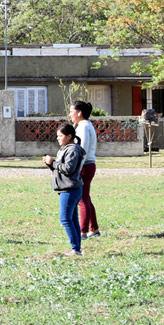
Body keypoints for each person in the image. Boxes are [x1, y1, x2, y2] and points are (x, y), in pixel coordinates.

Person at [43, 123, 86, 256]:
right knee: (72, 220)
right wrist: (50, 165)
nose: (58, 138)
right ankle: (77, 248)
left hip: (70, 190)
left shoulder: (72, 150)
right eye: (57, 136)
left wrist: (53, 163)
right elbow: (60, 169)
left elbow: (68, 169)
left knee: (65, 219)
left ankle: (75, 249)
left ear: (69, 136)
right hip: (67, 189)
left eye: (60, 136)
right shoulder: (65, 149)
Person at [70, 100, 100, 240]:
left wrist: (77, 168)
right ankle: (94, 229)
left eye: (72, 111)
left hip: (85, 166)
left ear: (79, 112)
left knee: (82, 199)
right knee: (86, 197)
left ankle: (82, 232)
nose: (70, 114)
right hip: (87, 165)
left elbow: (83, 150)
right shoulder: (85, 125)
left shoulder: (83, 127)